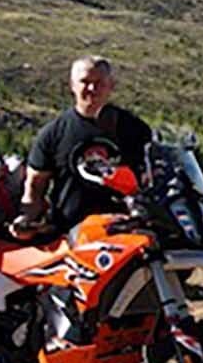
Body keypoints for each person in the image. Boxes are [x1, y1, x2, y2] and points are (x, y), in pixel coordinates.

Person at [15, 56, 153, 235]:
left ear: (111, 85)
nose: (92, 89)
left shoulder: (134, 129)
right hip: (69, 236)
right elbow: (35, 184)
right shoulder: (53, 133)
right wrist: (27, 219)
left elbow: (151, 177)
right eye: (85, 82)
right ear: (72, 85)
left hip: (125, 233)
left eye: (99, 82)